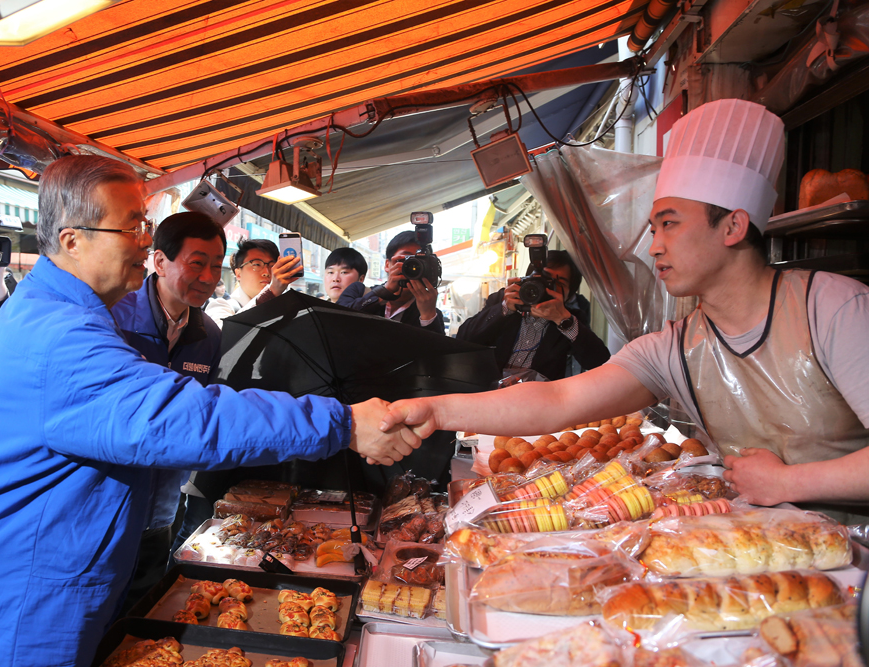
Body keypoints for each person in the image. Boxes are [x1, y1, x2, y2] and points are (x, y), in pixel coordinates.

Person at [0, 155, 420, 667]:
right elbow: (183, 417)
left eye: (146, 225)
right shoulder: (59, 335)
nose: (144, 241)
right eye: (132, 226)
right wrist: (342, 422)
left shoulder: (59, 312)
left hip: (26, 583)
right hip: (16, 606)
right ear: (72, 240)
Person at [381, 99, 869, 521]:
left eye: (669, 224)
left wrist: (788, 482)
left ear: (733, 226)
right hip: (759, 551)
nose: (654, 246)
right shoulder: (677, 345)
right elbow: (557, 401)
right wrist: (435, 410)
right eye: (653, 229)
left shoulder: (831, 308)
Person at [110, 211, 225, 613]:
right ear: (159, 261)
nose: (208, 277)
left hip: (164, 497)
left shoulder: (209, 334)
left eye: (216, 266)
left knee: (144, 600)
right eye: (197, 263)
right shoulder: (116, 317)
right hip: (110, 496)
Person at [456, 250, 610, 381]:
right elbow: (464, 338)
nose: (548, 288)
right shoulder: (503, 300)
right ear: (528, 278)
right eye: (544, 279)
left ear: (569, 295)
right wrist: (504, 309)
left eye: (559, 284)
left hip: (537, 401)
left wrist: (563, 320)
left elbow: (599, 362)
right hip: (488, 392)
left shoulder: (569, 318)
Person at [341, 231, 445, 334]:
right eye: (406, 259)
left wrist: (427, 316)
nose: (413, 267)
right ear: (387, 265)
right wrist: (385, 292)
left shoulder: (432, 313)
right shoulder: (359, 291)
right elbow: (338, 320)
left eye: (419, 262)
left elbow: (436, 345)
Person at [205, 239, 302, 328]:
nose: (266, 272)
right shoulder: (221, 307)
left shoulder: (285, 313)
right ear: (238, 273)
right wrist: (270, 292)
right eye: (256, 264)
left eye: (272, 265)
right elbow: (226, 336)